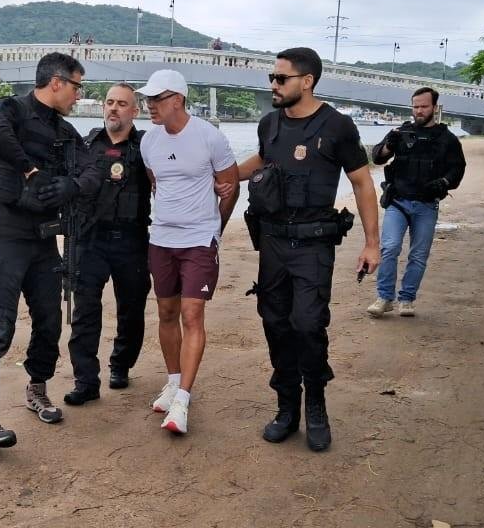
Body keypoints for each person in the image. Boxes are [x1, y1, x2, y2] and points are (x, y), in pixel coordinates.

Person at [229, 47, 381, 453]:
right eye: (271, 79)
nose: (273, 85)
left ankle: (316, 405)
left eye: (281, 79)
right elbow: (257, 162)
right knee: (275, 324)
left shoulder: (337, 127)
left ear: (307, 81)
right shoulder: (269, 124)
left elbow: (364, 184)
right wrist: (217, 176)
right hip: (273, 244)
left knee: (308, 326)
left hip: (313, 246)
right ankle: (286, 408)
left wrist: (371, 243)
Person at [0, 52, 101, 449]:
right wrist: (30, 170)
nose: (79, 95)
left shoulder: (65, 132)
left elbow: (92, 168)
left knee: (49, 323)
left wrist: (73, 187)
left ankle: (36, 388)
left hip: (43, 240)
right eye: (77, 86)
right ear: (56, 82)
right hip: (5, 237)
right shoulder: (10, 109)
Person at [138, 69, 239, 435]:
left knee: (192, 314)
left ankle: (182, 399)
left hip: (199, 239)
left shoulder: (209, 138)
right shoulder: (149, 142)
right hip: (161, 238)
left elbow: (231, 187)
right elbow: (156, 185)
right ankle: (173, 379)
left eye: (156, 99)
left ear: (177, 100)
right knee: (166, 311)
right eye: (147, 99)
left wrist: (216, 230)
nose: (149, 105)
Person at [63, 83, 152, 406]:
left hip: (132, 240)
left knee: (131, 310)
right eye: (110, 103)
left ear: (135, 111)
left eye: (122, 104)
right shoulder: (85, 145)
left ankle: (120, 365)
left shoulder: (147, 147)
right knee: (85, 312)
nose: (114, 108)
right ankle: (85, 381)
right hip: (90, 241)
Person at [366, 87, 466, 318]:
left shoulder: (447, 139)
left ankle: (407, 299)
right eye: (416, 107)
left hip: (426, 205)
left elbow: (457, 169)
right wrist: (389, 145)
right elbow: (378, 158)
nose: (419, 111)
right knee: (389, 248)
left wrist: (443, 182)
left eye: (424, 106)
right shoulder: (401, 133)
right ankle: (384, 298)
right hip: (398, 201)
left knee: (419, 254)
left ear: (434, 108)